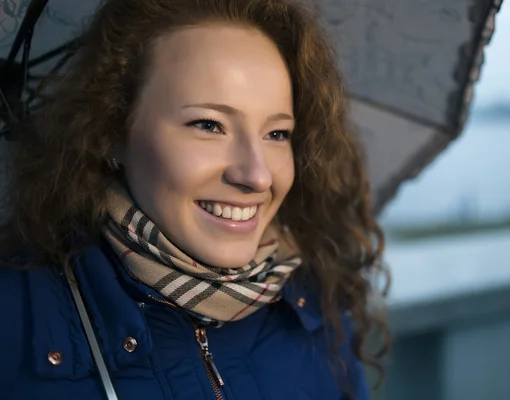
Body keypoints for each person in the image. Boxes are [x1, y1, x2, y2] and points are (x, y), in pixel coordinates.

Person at [0, 0, 389, 399]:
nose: (256, 175)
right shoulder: (13, 318)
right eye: (209, 125)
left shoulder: (317, 305)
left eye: (277, 134)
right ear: (112, 131)